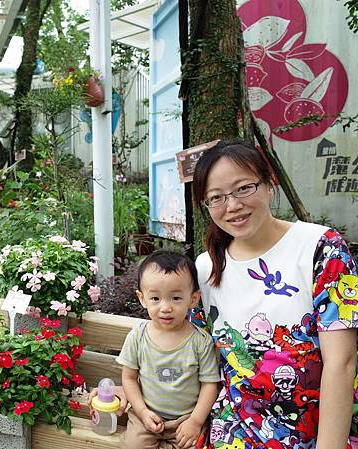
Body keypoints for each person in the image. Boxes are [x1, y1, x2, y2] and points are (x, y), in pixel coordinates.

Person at [191, 139, 357, 449]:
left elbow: (342, 363)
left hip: (319, 428)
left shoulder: (321, 248)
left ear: (269, 183)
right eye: (216, 198)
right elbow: (196, 354)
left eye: (243, 188)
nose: (233, 205)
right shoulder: (205, 269)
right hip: (238, 428)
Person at [116, 250, 221, 449]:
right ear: (142, 298)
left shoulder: (200, 341)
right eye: (155, 298)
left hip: (186, 420)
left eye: (176, 298)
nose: (165, 307)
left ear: (193, 298)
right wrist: (141, 411)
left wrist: (196, 421)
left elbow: (209, 385)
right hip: (146, 417)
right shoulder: (138, 336)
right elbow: (129, 378)